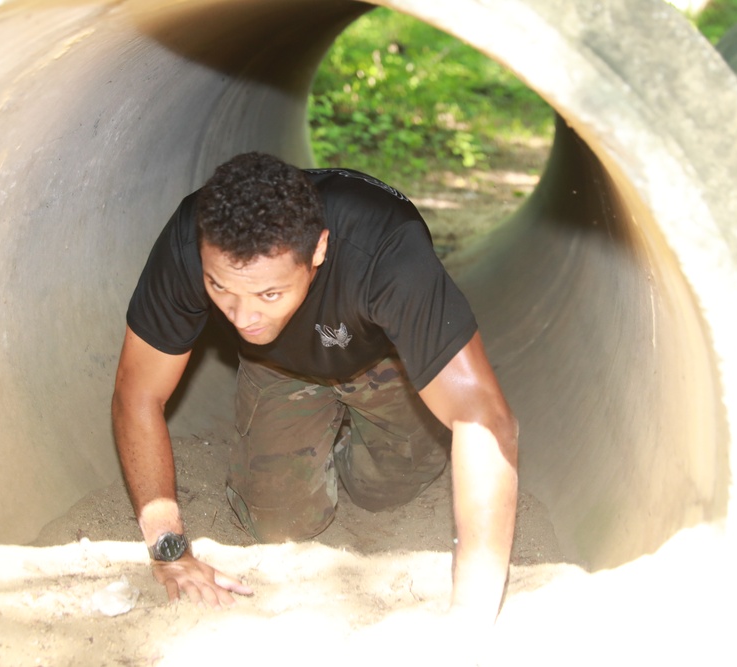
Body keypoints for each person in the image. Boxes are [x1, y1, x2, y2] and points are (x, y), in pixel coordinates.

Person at [111, 151, 518, 628]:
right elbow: (137, 394)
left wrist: (470, 615)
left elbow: (485, 419)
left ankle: (350, 438)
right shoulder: (189, 239)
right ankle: (306, 434)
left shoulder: (385, 249)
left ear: (319, 251)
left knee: (384, 487)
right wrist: (169, 550)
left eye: (268, 294)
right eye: (220, 288)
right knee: (280, 526)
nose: (242, 319)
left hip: (379, 359)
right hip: (280, 367)